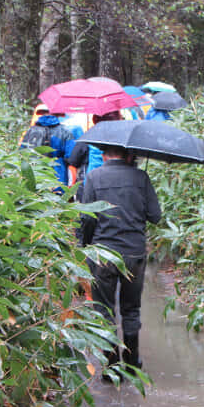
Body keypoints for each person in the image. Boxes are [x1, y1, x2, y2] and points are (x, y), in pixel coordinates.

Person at [80, 145, 161, 373]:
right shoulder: (141, 177)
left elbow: (87, 219)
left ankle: (111, 365)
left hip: (103, 253)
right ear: (128, 154)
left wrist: (87, 247)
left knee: (104, 309)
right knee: (131, 308)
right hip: (134, 253)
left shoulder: (94, 176)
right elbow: (156, 216)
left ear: (104, 154)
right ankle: (133, 362)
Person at [67, 110, 121, 202]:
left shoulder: (87, 139)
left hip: (89, 185)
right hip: (116, 186)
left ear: (94, 120)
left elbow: (73, 164)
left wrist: (70, 188)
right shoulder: (120, 140)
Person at [20, 113, 75, 189]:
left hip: (34, 169)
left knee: (33, 194)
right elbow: (70, 155)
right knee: (57, 196)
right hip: (57, 170)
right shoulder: (65, 131)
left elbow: (22, 151)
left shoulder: (31, 130)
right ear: (58, 116)